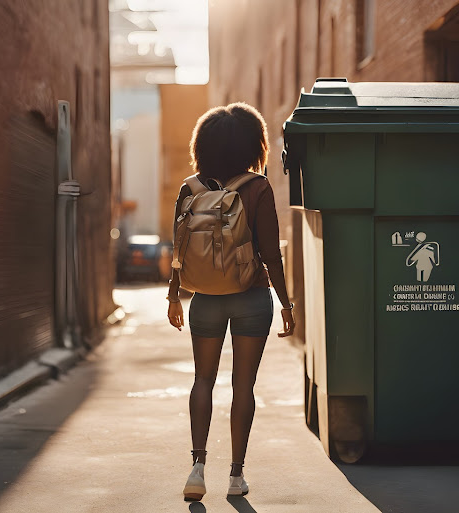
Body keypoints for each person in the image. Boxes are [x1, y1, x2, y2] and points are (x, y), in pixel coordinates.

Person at [166, 103, 295, 501]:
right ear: (252, 144)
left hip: (204, 299)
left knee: (202, 380)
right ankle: (236, 475)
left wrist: (174, 295)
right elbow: (271, 254)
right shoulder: (257, 188)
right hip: (251, 299)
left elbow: (179, 248)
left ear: (202, 145)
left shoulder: (190, 188)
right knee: (243, 386)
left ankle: (197, 468)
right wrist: (287, 305)